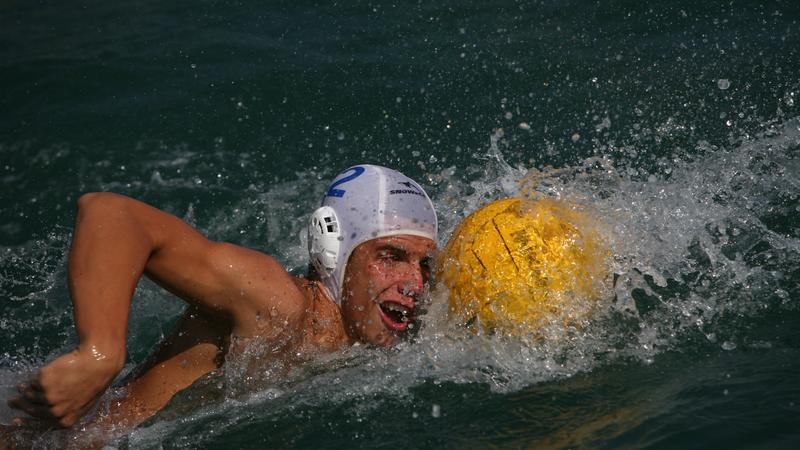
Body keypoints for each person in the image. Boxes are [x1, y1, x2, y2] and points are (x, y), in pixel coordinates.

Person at [5, 164, 438, 436]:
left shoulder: (379, 335)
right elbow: (110, 213)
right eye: (391, 256)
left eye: (424, 265)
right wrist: (99, 353)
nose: (413, 283)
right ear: (334, 250)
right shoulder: (277, 304)